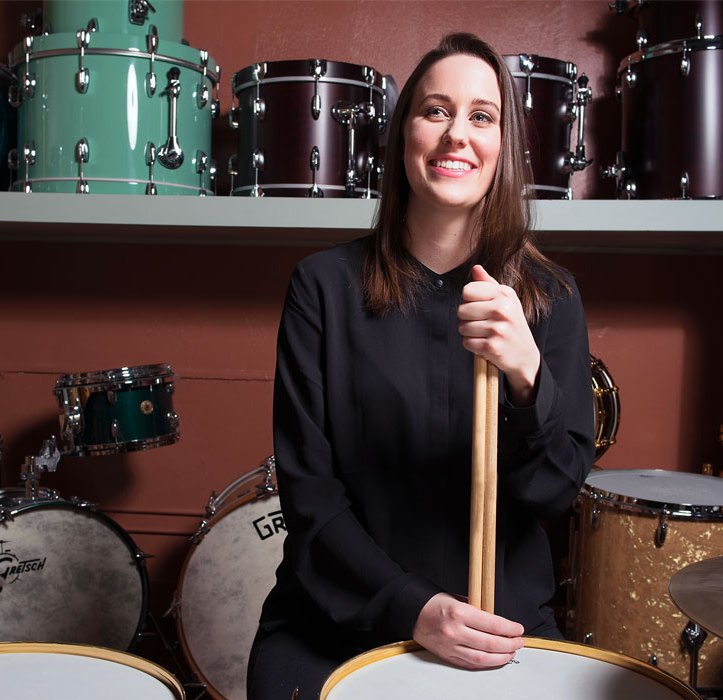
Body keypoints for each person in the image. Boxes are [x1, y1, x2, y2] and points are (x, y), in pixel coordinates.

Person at [247, 32, 595, 699]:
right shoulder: (322, 287)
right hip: (339, 618)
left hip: (499, 627)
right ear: (404, 133)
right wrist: (412, 608)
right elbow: (312, 501)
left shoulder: (550, 298)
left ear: (503, 148)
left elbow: (551, 494)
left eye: (482, 116)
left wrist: (528, 379)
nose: (456, 135)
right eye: (435, 111)